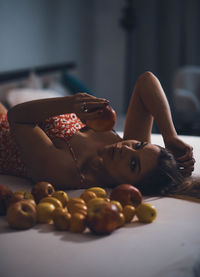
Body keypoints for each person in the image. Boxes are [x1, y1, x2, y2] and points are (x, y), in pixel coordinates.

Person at [0, 72, 198, 198]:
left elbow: (17, 116)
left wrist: (70, 103)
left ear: (129, 185)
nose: (126, 149)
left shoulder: (67, 170)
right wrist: (170, 136)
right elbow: (146, 80)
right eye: (139, 145)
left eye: (132, 164)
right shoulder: (128, 149)